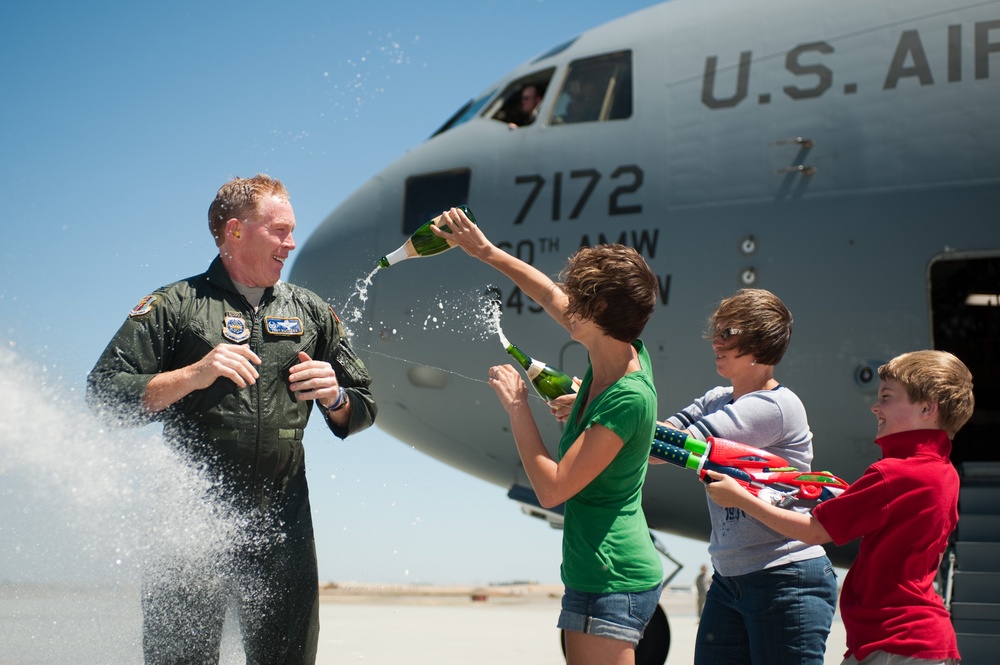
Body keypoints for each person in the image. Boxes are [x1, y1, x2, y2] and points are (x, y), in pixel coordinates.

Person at [86, 174, 377, 664]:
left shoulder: (312, 312)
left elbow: (363, 407)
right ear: (236, 232)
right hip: (189, 526)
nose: (291, 243)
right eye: (279, 230)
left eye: (291, 230)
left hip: (283, 526)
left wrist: (335, 397)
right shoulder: (175, 305)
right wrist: (194, 374)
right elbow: (104, 395)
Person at [432, 207, 664, 665]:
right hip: (592, 572)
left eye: (578, 301)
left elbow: (552, 487)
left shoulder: (627, 396)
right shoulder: (615, 353)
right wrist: (487, 252)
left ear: (598, 311)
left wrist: (519, 406)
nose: (566, 305)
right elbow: (545, 292)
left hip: (613, 575)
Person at [706, 350, 974, 665]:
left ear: (927, 408)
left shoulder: (893, 474)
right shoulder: (945, 474)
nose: (876, 407)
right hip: (924, 641)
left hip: (894, 644)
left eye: (887, 397)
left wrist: (740, 498)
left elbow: (814, 531)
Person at [657, 288, 837, 665]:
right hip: (730, 579)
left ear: (760, 342)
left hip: (785, 577)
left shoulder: (773, 406)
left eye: (729, 333)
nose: (716, 342)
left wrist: (597, 407)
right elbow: (658, 442)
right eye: (716, 332)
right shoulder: (716, 399)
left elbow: (676, 446)